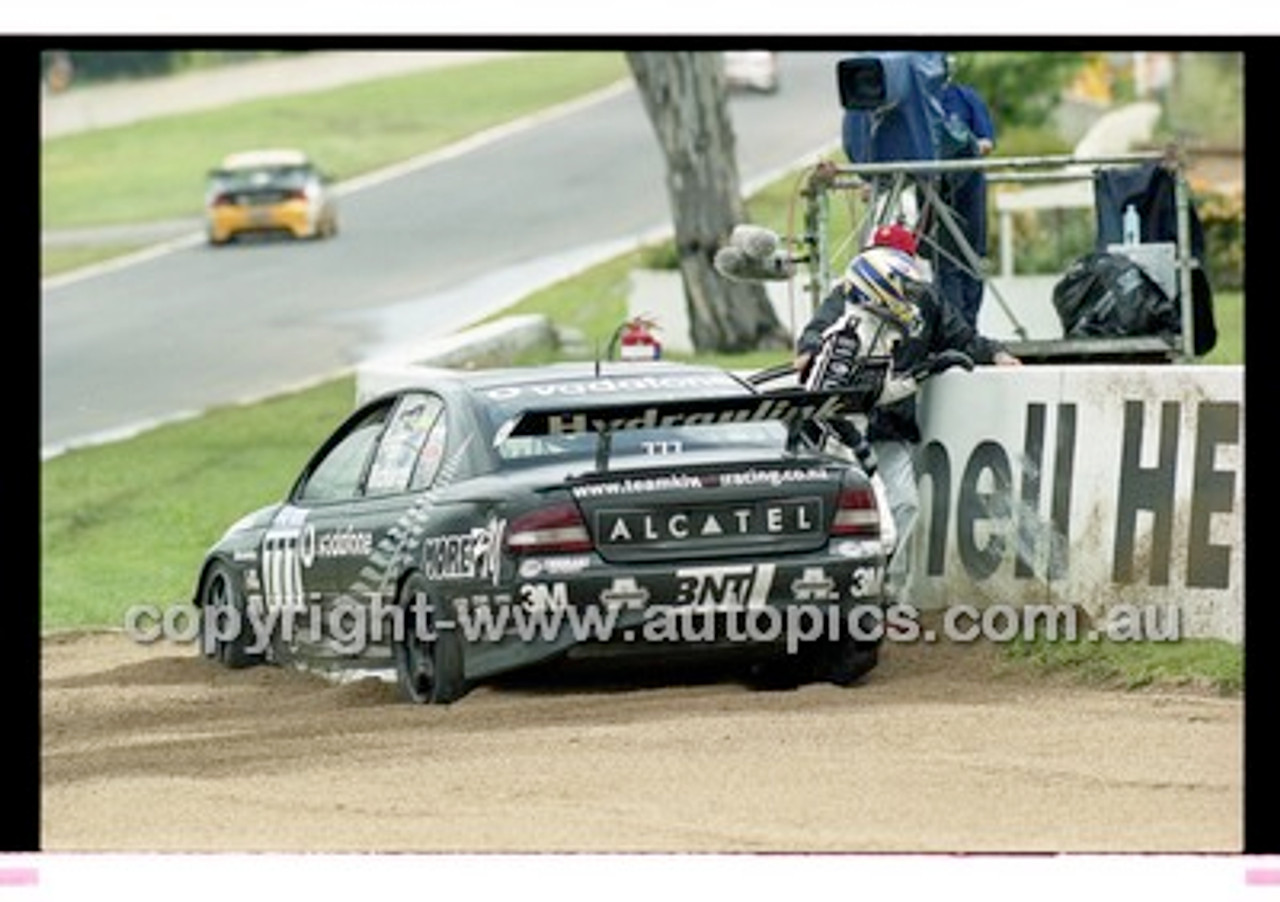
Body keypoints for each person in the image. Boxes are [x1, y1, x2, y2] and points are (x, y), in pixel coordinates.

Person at [794, 240, 1020, 604]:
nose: (913, 296)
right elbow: (825, 406)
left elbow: (874, 392)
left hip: (861, 439)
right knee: (855, 524)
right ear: (878, 283)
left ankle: (880, 597)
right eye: (904, 286)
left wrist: (926, 370)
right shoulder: (848, 335)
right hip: (834, 449)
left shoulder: (883, 331)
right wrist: (861, 453)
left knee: (900, 511)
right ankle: (835, 600)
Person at [933, 58, 996, 328]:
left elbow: (986, 143)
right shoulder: (920, 105)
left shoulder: (966, 97)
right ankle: (954, 326)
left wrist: (962, 144)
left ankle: (970, 324)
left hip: (969, 188)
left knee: (973, 257)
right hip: (934, 190)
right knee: (943, 259)